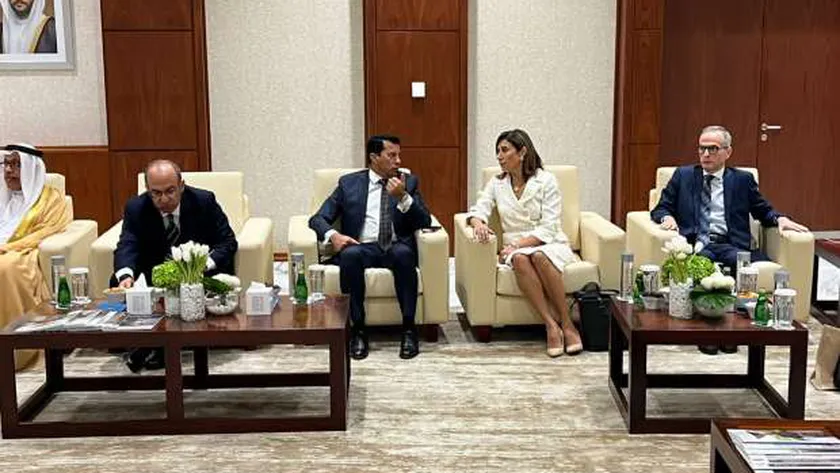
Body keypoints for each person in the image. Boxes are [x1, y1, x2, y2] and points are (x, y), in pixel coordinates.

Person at [651, 125, 809, 355]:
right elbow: (661, 207)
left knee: (740, 266)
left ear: (728, 152)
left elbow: (762, 210)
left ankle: (731, 332)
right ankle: (708, 334)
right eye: (702, 148)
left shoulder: (742, 180)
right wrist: (667, 217)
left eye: (713, 149)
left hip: (731, 243)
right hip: (698, 243)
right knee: (701, 266)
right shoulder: (683, 176)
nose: (706, 154)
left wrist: (780, 218)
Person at [309, 135, 432, 360]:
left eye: (399, 155)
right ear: (374, 157)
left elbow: (424, 220)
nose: (398, 161)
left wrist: (403, 197)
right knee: (349, 256)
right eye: (391, 155)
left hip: (394, 246)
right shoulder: (349, 184)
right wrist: (334, 236)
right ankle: (358, 330)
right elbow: (318, 219)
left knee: (404, 254)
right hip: (361, 246)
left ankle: (408, 329)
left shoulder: (408, 182)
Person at [466, 129, 583, 358]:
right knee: (520, 259)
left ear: (522, 152)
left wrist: (518, 244)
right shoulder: (497, 183)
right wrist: (478, 223)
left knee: (538, 256)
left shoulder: (546, 180)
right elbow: (479, 209)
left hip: (548, 241)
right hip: (516, 249)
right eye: (497, 151)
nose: (499, 156)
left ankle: (568, 323)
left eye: (504, 150)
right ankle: (551, 325)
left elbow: (549, 226)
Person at [113, 159, 238, 371]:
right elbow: (127, 244)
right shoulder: (136, 207)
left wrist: (202, 264)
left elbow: (227, 242)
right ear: (148, 190)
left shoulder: (204, 201)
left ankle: (156, 347)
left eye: (170, 191)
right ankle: (146, 342)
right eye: (156, 193)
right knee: (118, 280)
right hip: (157, 275)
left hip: (197, 276)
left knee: (194, 288)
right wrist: (126, 275)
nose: (164, 199)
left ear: (181, 185)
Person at [0, 144, 70, 370]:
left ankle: (15, 348)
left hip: (22, 252)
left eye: (16, 165)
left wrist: (8, 247)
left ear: (31, 169)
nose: (8, 170)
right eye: (7, 164)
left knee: (5, 267)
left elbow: (48, 230)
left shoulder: (50, 198)